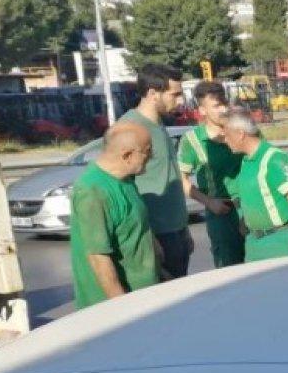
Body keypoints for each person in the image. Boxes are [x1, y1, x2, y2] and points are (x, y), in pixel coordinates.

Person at [69, 123, 160, 309]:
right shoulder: (93, 191)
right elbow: (98, 257)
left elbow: (135, 223)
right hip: (114, 306)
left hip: (145, 295)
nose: (151, 157)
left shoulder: (126, 179)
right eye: (147, 151)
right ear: (127, 155)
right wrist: (121, 308)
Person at [119, 63, 192, 279]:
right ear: (153, 93)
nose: (180, 101)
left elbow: (168, 176)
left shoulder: (159, 124)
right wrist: (149, 238)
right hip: (156, 235)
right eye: (174, 95)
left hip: (175, 231)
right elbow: (124, 189)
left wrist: (183, 228)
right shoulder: (130, 129)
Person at [222, 107, 288, 261]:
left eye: (227, 135)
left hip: (279, 243)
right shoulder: (246, 161)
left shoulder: (274, 159)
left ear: (240, 134)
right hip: (254, 245)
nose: (225, 140)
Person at [177, 81, 245, 267]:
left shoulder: (241, 129)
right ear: (202, 110)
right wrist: (208, 202)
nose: (223, 109)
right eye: (216, 106)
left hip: (249, 206)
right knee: (229, 269)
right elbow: (181, 180)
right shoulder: (192, 140)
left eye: (224, 103)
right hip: (221, 212)